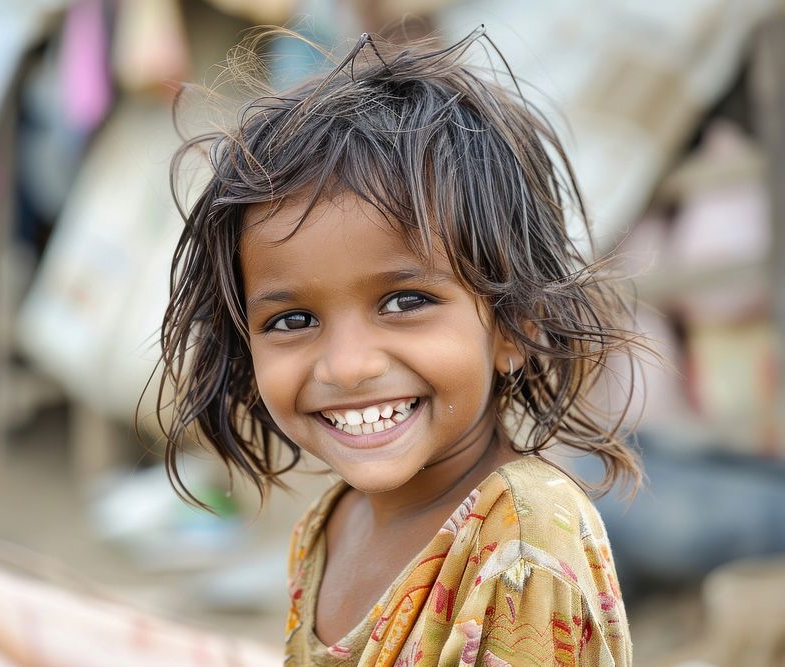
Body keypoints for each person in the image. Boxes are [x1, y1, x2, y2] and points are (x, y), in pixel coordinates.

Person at [156, 28, 644, 666]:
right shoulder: (326, 528)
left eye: (405, 302)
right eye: (294, 318)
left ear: (516, 324)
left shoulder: (523, 533)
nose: (349, 365)